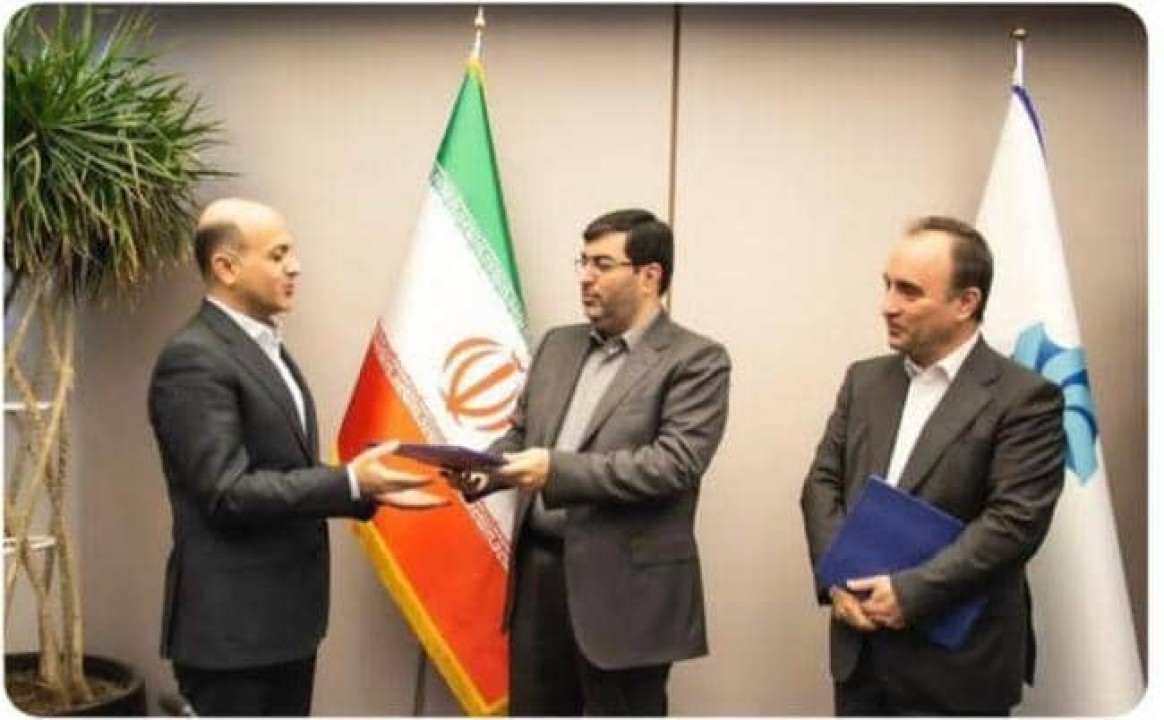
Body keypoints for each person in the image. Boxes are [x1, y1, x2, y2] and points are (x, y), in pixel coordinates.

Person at [147, 198, 445, 716]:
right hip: (233, 635)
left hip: (284, 625)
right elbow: (227, 492)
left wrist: (363, 488)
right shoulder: (193, 357)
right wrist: (348, 483)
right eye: (278, 254)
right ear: (226, 267)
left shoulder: (265, 346)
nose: (295, 266)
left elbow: (283, 471)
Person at [453, 208, 731, 715]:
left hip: (625, 593)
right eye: (582, 262)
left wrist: (555, 470)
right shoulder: (557, 345)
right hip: (539, 582)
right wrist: (484, 468)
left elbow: (673, 464)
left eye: (602, 264)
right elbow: (523, 433)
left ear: (649, 276)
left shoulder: (697, 359)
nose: (584, 277)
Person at [799, 215, 1066, 715]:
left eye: (909, 291)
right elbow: (822, 483)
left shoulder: (1026, 398)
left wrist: (909, 593)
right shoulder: (863, 381)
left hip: (958, 668)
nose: (887, 305)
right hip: (860, 658)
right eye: (887, 285)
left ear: (966, 303)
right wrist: (836, 579)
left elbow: (1015, 523)